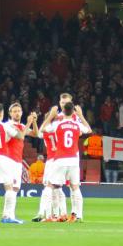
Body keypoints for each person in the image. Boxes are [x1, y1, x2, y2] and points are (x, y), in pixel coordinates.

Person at [40, 102, 92, 223]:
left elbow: (43, 128)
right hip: (73, 160)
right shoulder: (77, 124)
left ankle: (48, 216)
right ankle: (78, 216)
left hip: (60, 159)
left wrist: (51, 115)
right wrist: (81, 115)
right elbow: (89, 130)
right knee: (75, 187)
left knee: (50, 185)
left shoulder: (58, 124)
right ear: (73, 111)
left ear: (63, 111)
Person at [33, 93, 75, 222]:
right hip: (62, 158)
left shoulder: (50, 128)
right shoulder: (60, 126)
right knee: (58, 188)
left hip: (53, 160)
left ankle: (44, 214)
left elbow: (39, 132)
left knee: (50, 187)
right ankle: (59, 214)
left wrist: (39, 120)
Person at [5, 103, 38, 222]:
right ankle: (9, 216)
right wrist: (29, 122)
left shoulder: (21, 126)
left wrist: (33, 121)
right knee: (13, 188)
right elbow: (21, 137)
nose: (17, 113)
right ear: (10, 113)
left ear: (22, 113)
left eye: (19, 111)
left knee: (15, 188)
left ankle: (6, 215)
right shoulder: (9, 125)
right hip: (10, 160)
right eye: (14, 111)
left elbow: (36, 134)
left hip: (17, 160)